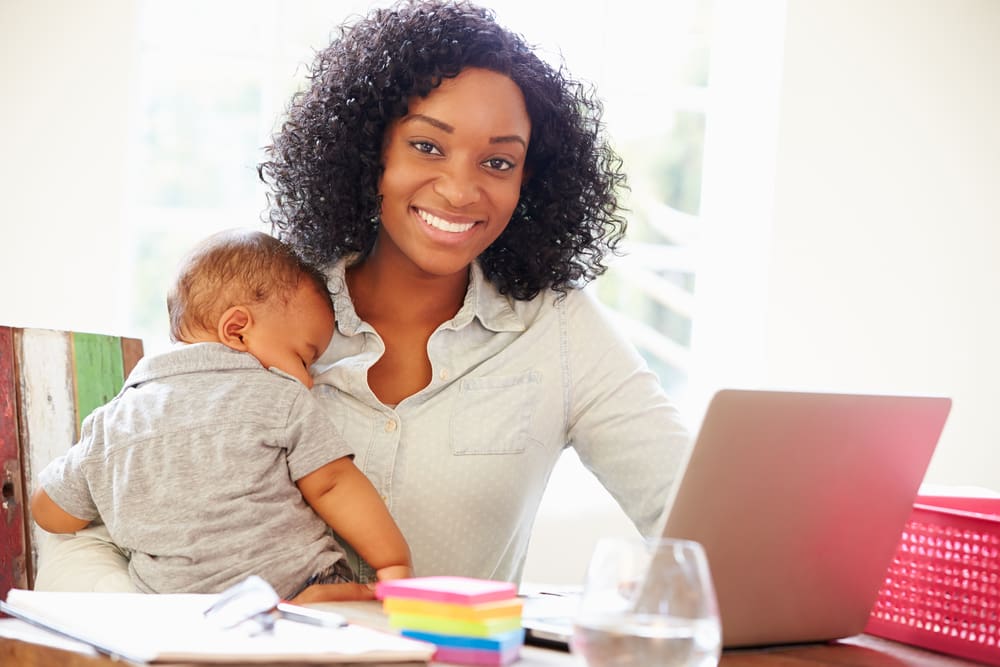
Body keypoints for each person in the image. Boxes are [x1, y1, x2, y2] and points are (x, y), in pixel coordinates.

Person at [34, 0, 690, 601]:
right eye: (427, 145)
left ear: (532, 181)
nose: (462, 191)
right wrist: (184, 632)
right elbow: (98, 522)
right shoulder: (267, 308)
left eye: (498, 162)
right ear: (367, 150)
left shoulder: (560, 327)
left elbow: (688, 508)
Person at [30, 229, 412, 600]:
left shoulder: (114, 422)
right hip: (298, 585)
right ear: (237, 330)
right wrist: (393, 563)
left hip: (179, 608)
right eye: (303, 358)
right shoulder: (280, 397)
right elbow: (332, 484)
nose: (308, 381)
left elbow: (50, 512)